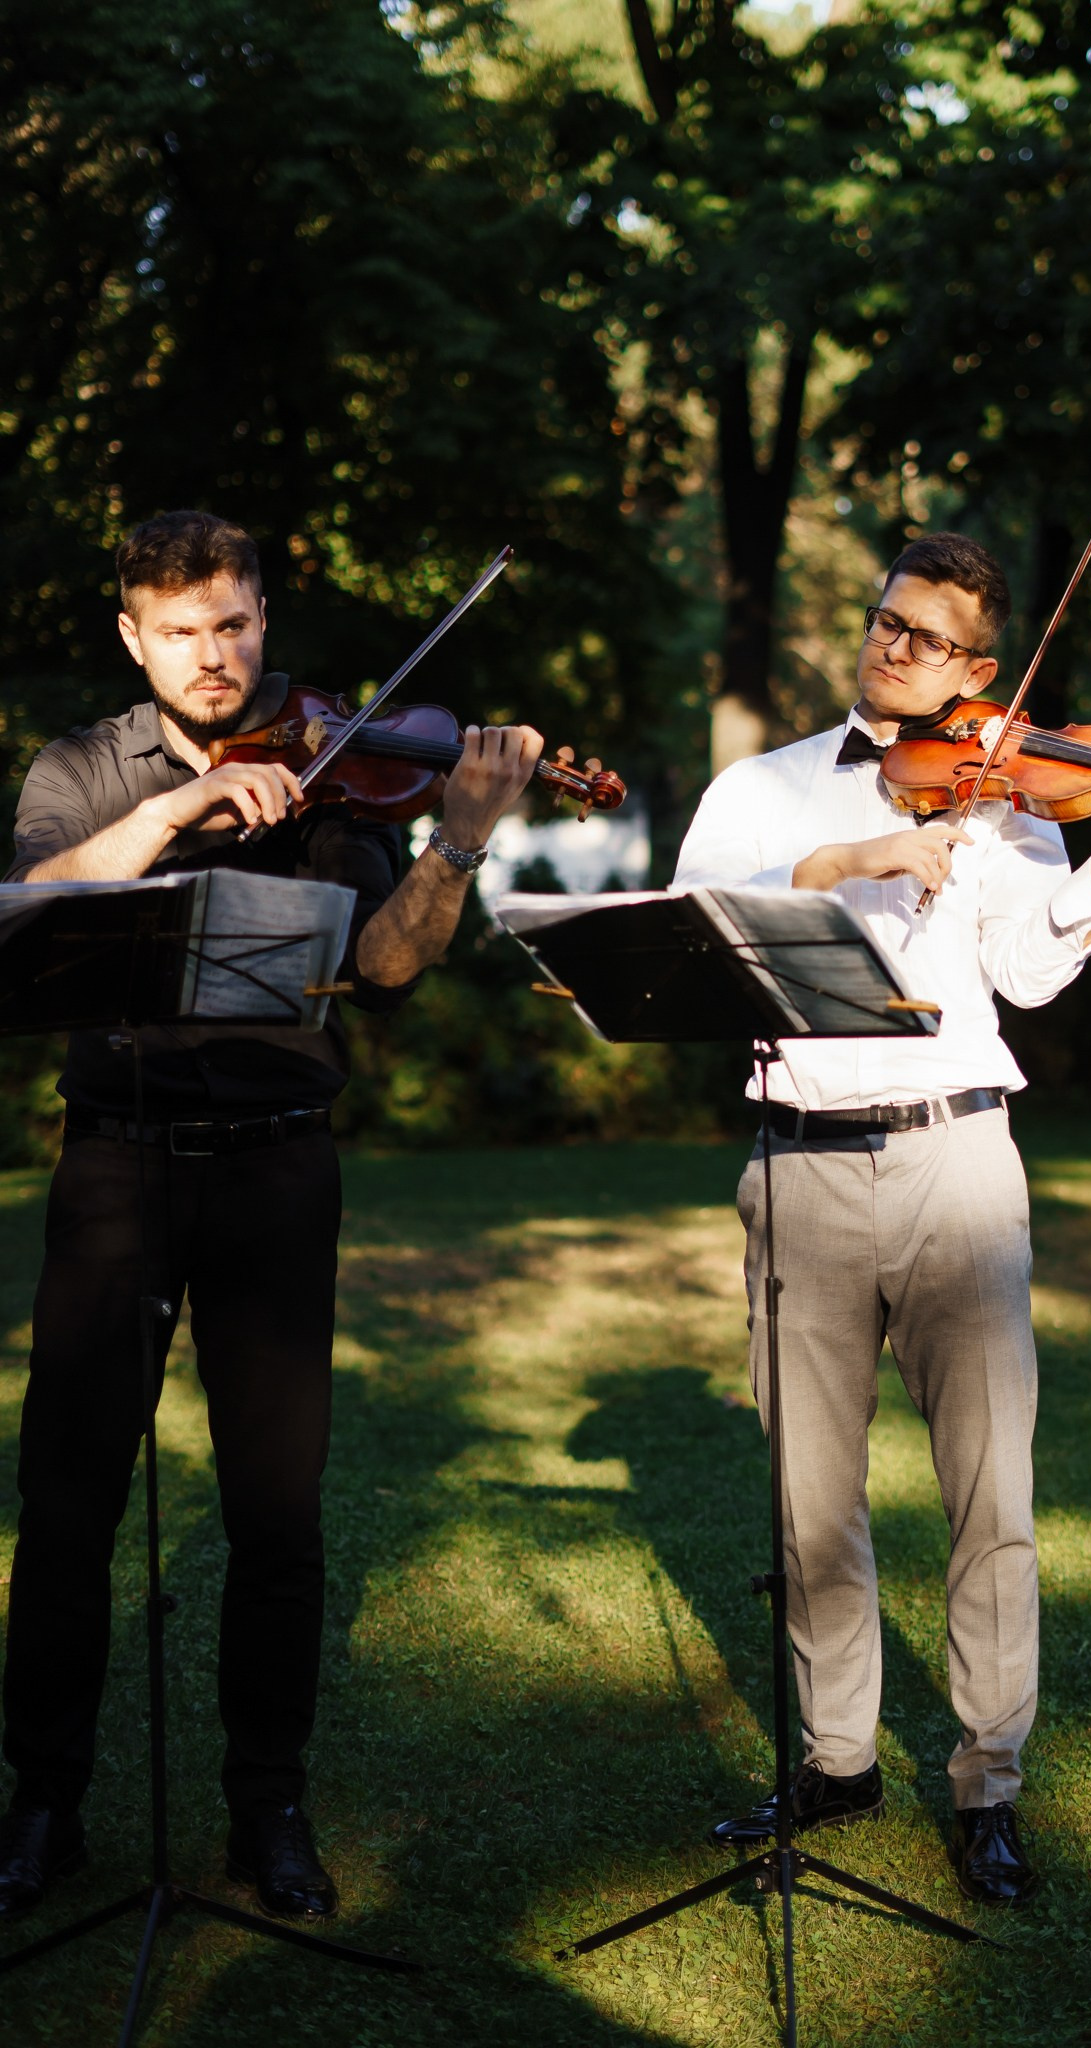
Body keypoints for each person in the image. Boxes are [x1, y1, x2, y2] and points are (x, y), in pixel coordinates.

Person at [0, 510, 542, 1923]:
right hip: (115, 1165)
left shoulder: (331, 761)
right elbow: (30, 906)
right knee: (67, 1502)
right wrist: (175, 814)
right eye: (182, 631)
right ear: (135, 638)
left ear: (262, 621)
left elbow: (388, 965)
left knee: (275, 1512)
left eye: (233, 624)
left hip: (278, 1167)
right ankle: (43, 1803)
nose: (213, 656)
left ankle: (268, 1807)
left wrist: (457, 838)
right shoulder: (80, 769)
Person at [673, 532, 1091, 1906]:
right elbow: (695, 924)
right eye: (885, 622)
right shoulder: (761, 786)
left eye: (927, 639)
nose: (893, 649)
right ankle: (838, 1757)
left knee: (990, 1491)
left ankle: (987, 1782)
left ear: (980, 670)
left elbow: (1030, 971)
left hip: (955, 1159)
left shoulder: (1011, 799)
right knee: (808, 1497)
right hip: (798, 1160)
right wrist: (861, 851)